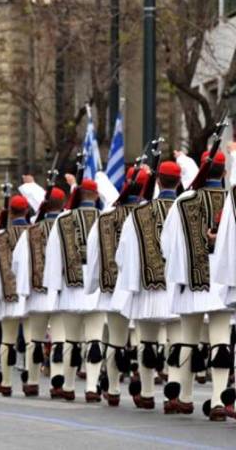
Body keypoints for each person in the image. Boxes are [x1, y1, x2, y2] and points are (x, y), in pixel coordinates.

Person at [162, 150, 232, 421]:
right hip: (223, 284)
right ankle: (217, 400)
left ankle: (184, 396)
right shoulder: (231, 200)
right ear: (223, 173)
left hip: (192, 281)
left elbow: (167, 244)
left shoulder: (183, 201)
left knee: (187, 341)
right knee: (220, 342)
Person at [112, 161, 182, 411]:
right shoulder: (185, 207)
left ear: (159, 181)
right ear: (178, 180)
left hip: (147, 287)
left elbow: (122, 255)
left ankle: (148, 392)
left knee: (147, 343)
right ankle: (175, 395)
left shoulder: (138, 214)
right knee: (178, 344)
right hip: (177, 288)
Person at [84, 167, 149, 406]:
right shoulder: (151, 212)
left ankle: (112, 389)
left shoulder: (106, 216)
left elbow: (94, 253)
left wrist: (92, 285)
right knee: (145, 341)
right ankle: (146, 389)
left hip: (113, 288)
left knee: (115, 340)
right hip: (145, 288)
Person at [43, 179, 100, 401]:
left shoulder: (62, 220)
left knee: (71, 341)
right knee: (95, 340)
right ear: (96, 196)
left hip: (70, 287)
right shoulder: (105, 218)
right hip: (96, 289)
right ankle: (92, 387)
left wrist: (54, 290)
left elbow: (54, 258)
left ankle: (68, 385)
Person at [13, 186, 67, 397]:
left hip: (37, 292)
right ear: (63, 205)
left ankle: (32, 381)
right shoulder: (68, 228)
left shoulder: (31, 231)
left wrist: (24, 288)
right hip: (61, 291)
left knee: (34, 339)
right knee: (60, 339)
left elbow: (17, 263)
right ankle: (57, 382)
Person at [0, 194, 30, 397]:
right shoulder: (34, 232)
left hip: (7, 294)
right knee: (30, 339)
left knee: (7, 340)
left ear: (11, 212)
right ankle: (31, 380)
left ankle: (7, 382)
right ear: (27, 211)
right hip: (31, 295)